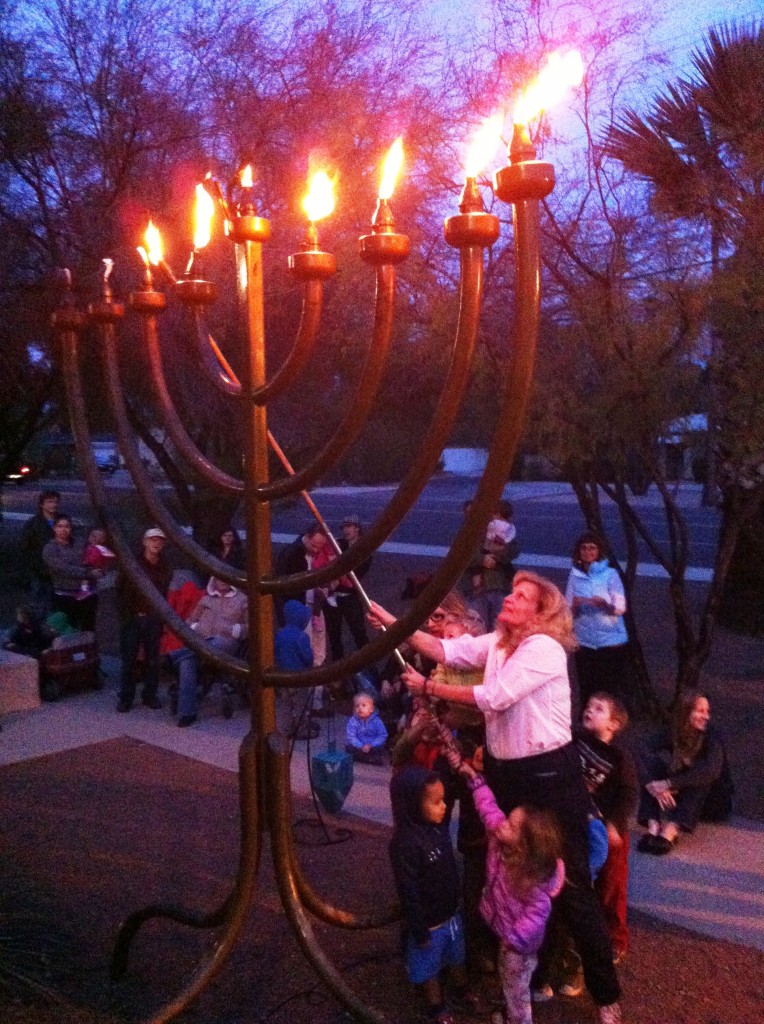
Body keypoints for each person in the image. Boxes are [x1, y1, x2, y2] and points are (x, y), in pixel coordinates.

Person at [369, 572, 624, 1024]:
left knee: (571, 886)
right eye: (511, 591)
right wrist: (391, 621)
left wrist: (428, 688)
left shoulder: (543, 647)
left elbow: (495, 697)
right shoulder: (501, 641)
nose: (509, 598)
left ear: (540, 612)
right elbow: (449, 649)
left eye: (521, 596)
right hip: (505, 775)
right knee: (507, 874)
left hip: (548, 777)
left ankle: (605, 995)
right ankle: (511, 977)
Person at [456, 758, 565, 1024]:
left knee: (517, 994)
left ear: (526, 845)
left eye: (511, 825)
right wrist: (474, 779)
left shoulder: (533, 879)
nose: (503, 823)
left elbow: (537, 917)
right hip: (505, 931)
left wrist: (514, 941)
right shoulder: (500, 838)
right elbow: (488, 807)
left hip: (518, 948)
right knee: (511, 984)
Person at [389, 765, 471, 1024]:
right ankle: (436, 1005)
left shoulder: (436, 827)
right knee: (429, 966)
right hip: (430, 923)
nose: (444, 806)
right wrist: (419, 929)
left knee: (457, 955)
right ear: (412, 804)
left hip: (451, 914)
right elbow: (408, 890)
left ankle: (461, 990)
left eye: (443, 800)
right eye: (436, 802)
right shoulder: (405, 844)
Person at [636, 691, 727, 855]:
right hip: (680, 796)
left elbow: (711, 771)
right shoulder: (674, 732)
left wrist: (669, 784)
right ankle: (653, 825)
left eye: (707, 711)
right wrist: (651, 784)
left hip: (712, 802)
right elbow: (641, 749)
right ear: (686, 712)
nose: (706, 716)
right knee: (652, 766)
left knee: (700, 775)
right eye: (700, 711)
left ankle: (671, 830)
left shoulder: (713, 737)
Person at [168, 576, 248, 727]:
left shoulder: (242, 600)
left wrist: (233, 630)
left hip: (226, 642)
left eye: (224, 578)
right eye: (218, 579)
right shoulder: (206, 599)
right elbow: (190, 621)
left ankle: (176, 655)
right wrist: (196, 628)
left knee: (213, 643)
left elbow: (249, 626)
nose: (222, 581)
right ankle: (187, 713)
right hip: (202, 641)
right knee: (187, 662)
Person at [565, 533, 631, 709]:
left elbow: (620, 607)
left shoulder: (611, 574)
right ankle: (587, 723)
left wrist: (604, 604)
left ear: (599, 551)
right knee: (586, 686)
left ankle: (608, 725)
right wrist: (577, 605)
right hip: (585, 641)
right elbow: (568, 610)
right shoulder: (575, 575)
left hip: (609, 642)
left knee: (608, 687)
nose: (587, 552)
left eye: (592, 548)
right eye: (584, 548)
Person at [116, 526, 173, 713]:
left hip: (153, 619)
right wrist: (126, 614)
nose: (156, 543)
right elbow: (120, 589)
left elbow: (163, 593)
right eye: (152, 539)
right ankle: (126, 697)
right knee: (129, 659)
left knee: (153, 660)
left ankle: (150, 695)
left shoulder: (165, 566)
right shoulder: (132, 564)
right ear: (145, 542)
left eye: (160, 540)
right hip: (132, 618)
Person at [463, 500, 518, 630]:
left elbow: (514, 549)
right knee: (477, 626)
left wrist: (497, 556)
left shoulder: (497, 529)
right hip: (475, 589)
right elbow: (459, 557)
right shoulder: (464, 535)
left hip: (499, 585)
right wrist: (481, 559)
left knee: (501, 626)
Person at [324, 514, 372, 664]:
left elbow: (354, 577)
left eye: (349, 526)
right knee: (333, 633)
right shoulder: (340, 544)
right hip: (334, 596)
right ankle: (338, 666)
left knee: (359, 632)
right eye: (344, 527)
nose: (346, 530)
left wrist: (337, 576)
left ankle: (367, 663)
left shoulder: (364, 550)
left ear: (357, 528)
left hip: (350, 596)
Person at [42, 514, 99, 632]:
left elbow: (91, 557)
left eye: (67, 526)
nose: (63, 530)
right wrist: (88, 572)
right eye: (60, 526)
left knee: (88, 629)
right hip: (65, 595)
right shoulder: (50, 549)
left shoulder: (81, 543)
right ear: (54, 528)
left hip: (86, 594)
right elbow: (63, 569)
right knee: (68, 629)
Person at [274, 598, 318, 740]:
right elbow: (308, 657)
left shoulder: (280, 635)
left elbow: (276, 653)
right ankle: (301, 729)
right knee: (301, 706)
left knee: (285, 705)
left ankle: (286, 729)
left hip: (283, 677)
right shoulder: (301, 636)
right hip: (299, 677)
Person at [19, 489, 60, 615]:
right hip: (38, 571)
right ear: (42, 504)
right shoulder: (33, 524)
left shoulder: (62, 521)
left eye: (55, 502)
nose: (53, 505)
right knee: (37, 605)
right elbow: (25, 548)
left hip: (58, 571)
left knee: (55, 606)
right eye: (50, 502)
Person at [345, 692, 388, 764]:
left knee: (380, 748)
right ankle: (369, 759)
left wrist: (371, 745)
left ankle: (366, 758)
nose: (360, 708)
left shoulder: (376, 721)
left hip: (372, 746)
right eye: (357, 706)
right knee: (349, 747)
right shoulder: (353, 721)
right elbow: (351, 736)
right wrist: (360, 746)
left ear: (371, 709)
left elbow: (382, 735)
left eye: (363, 705)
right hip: (359, 746)